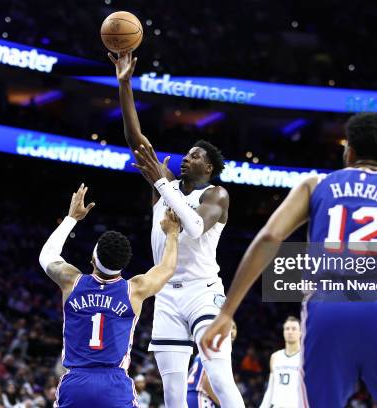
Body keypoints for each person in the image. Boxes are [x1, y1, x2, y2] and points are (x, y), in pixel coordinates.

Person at [201, 112, 377, 406]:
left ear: (349, 150)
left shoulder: (314, 185)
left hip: (326, 309)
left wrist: (226, 312)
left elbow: (268, 239)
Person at [109, 52, 244, 408]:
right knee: (172, 394)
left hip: (204, 292)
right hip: (166, 294)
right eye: (187, 153)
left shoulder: (216, 194)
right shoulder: (165, 184)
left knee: (218, 374)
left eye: (196, 155)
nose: (187, 157)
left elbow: (196, 225)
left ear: (210, 167)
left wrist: (161, 185)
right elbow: (135, 139)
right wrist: (124, 84)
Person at [38, 184, 181, 407]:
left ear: (93, 259)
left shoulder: (71, 280)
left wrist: (71, 218)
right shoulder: (135, 289)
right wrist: (172, 234)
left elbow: (47, 254)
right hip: (114, 383)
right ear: (122, 266)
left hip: (76, 381)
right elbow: (167, 268)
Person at [187, 321, 237, 408]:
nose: (232, 331)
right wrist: (223, 403)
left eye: (234, 328)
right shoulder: (218, 350)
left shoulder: (207, 348)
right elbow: (206, 383)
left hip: (190, 396)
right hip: (200, 397)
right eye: (228, 327)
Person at [259, 316, 301, 408]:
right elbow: (271, 387)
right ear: (283, 332)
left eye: (294, 329)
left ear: (300, 332)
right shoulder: (275, 357)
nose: (290, 331)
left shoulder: (305, 358)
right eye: (287, 329)